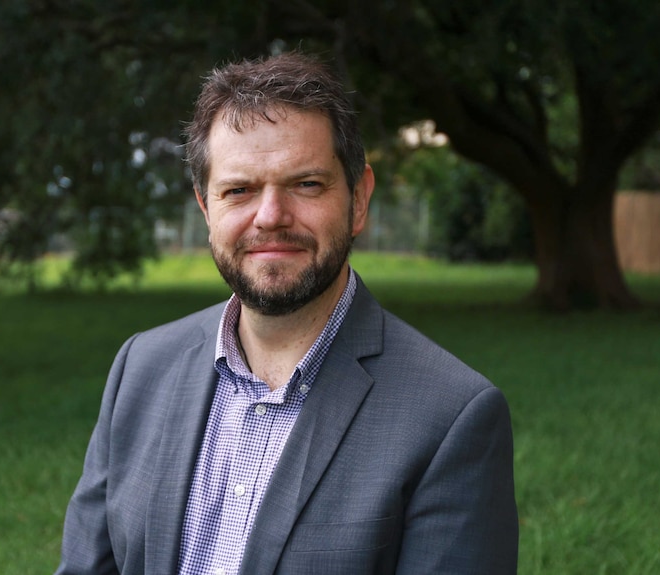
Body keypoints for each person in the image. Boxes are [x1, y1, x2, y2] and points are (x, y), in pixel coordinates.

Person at [55, 52, 518, 575]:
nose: (270, 217)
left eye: (306, 185)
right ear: (207, 209)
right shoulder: (140, 368)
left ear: (359, 199)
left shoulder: (451, 417)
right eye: (239, 190)